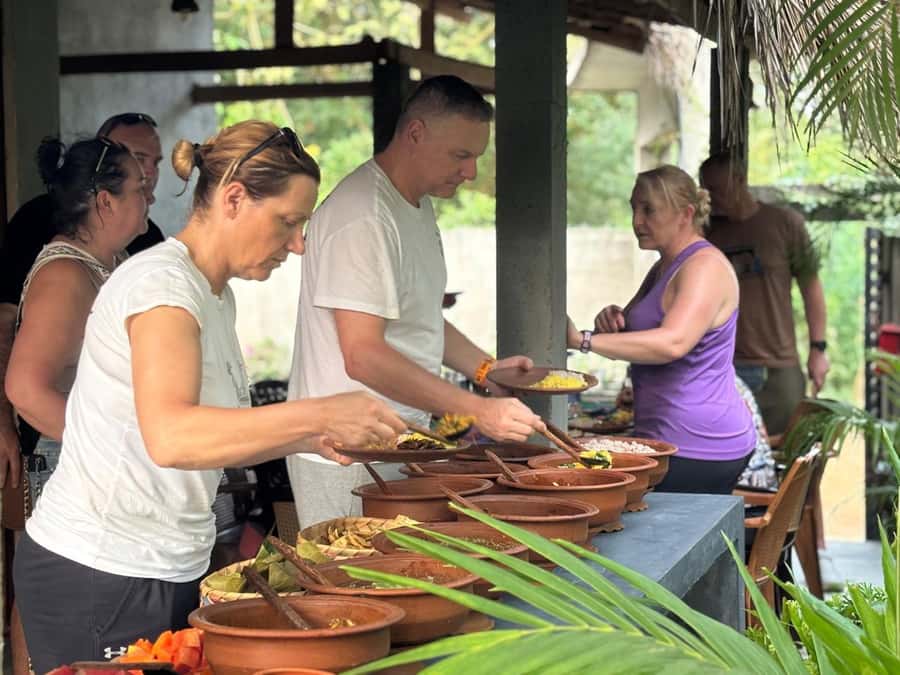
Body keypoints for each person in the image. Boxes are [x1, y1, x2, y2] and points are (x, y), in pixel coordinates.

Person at [13, 120, 405, 670]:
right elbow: (172, 437)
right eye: (289, 222)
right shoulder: (162, 288)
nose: (297, 244)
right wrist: (318, 410)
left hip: (166, 561)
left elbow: (211, 436)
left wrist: (311, 433)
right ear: (235, 198)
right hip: (103, 568)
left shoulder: (212, 294)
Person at [287, 75, 544, 526]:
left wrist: (486, 371)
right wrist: (477, 409)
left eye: (476, 157)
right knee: (356, 589)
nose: (470, 172)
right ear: (416, 133)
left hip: (396, 444)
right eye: (461, 155)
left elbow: (420, 319)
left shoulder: (416, 205)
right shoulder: (364, 214)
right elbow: (363, 356)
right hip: (344, 456)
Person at [0, 113, 165, 495]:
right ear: (106, 202)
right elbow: (25, 389)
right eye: (140, 188)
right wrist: (108, 451)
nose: (151, 196)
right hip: (74, 465)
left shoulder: (111, 260)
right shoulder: (65, 275)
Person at [567, 165, 755, 494]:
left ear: (686, 214)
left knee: (580, 479)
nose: (637, 221)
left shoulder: (704, 267)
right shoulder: (664, 266)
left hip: (700, 445)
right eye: (634, 208)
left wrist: (584, 341)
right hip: (663, 437)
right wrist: (612, 323)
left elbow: (672, 343)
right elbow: (635, 338)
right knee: (574, 465)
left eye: (649, 210)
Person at [699, 152, 829, 435]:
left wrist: (818, 350)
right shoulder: (706, 235)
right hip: (724, 367)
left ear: (741, 180)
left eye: (718, 190)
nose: (713, 199)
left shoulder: (784, 224)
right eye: (707, 191)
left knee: (789, 458)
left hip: (778, 368)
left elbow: (811, 288)